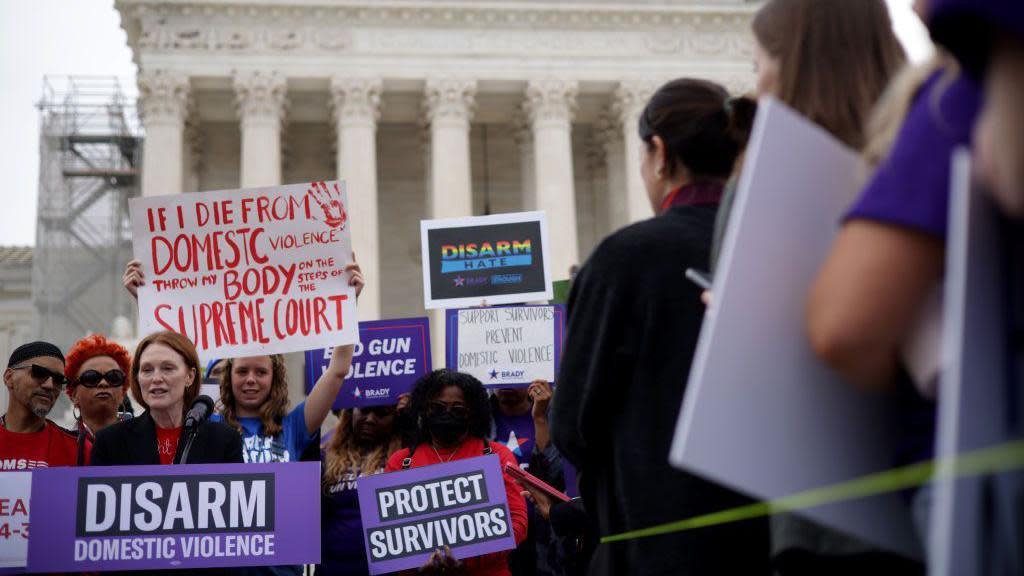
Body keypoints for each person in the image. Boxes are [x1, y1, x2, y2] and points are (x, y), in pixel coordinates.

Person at [550, 77, 767, 576]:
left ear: (659, 153)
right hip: (770, 535)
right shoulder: (777, 243)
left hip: (658, 535)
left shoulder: (624, 260)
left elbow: (574, 425)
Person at [708, 0, 907, 275]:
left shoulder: (764, 176)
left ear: (791, 68)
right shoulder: (925, 153)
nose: (757, 85)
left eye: (757, 66)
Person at [385, 370, 529, 576]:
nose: (447, 413)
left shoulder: (497, 455)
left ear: (473, 412)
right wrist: (415, 566)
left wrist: (469, 561)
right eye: (438, 407)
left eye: (458, 409)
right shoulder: (400, 461)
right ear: (424, 409)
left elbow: (518, 523)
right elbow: (390, 536)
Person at [89, 330, 243, 466]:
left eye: (167, 368)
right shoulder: (109, 442)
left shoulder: (224, 440)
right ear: (137, 378)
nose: (156, 378)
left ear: (190, 376)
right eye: (147, 370)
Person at [319, 404, 403, 575]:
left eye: (382, 413)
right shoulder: (325, 454)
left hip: (386, 569)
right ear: (350, 413)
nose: (370, 419)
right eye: (364, 411)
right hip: (334, 567)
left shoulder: (405, 456)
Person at [490, 381, 562, 576]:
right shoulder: (477, 419)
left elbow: (554, 477)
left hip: (541, 534)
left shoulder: (552, 414)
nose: (506, 383)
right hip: (496, 533)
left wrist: (539, 418)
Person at [0, 341, 78, 468]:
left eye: (58, 380)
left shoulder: (78, 449)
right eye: (39, 373)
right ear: (9, 377)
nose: (49, 385)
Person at [63, 334, 134, 465]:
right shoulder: (59, 447)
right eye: (91, 378)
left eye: (113, 377)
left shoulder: (144, 442)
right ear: (74, 394)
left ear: (123, 392)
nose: (103, 383)